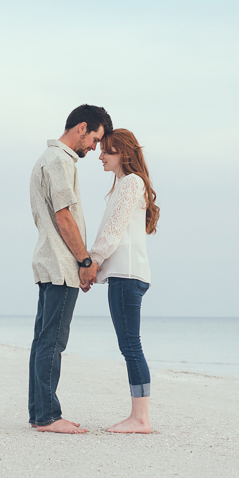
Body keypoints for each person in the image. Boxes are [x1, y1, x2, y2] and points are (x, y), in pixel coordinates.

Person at [28, 104, 113, 434]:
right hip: (62, 264)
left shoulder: (45, 159)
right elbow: (64, 217)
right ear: (81, 128)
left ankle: (39, 413)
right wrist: (86, 261)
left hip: (49, 260)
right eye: (95, 139)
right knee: (53, 342)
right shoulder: (60, 161)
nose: (94, 148)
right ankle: (49, 416)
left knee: (43, 340)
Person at [89, 129, 160, 434]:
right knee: (129, 345)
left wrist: (93, 261)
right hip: (127, 275)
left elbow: (114, 230)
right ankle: (137, 416)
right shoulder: (126, 185)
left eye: (108, 151)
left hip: (126, 275)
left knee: (131, 345)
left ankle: (140, 418)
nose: (101, 156)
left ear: (124, 155)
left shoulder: (131, 182)